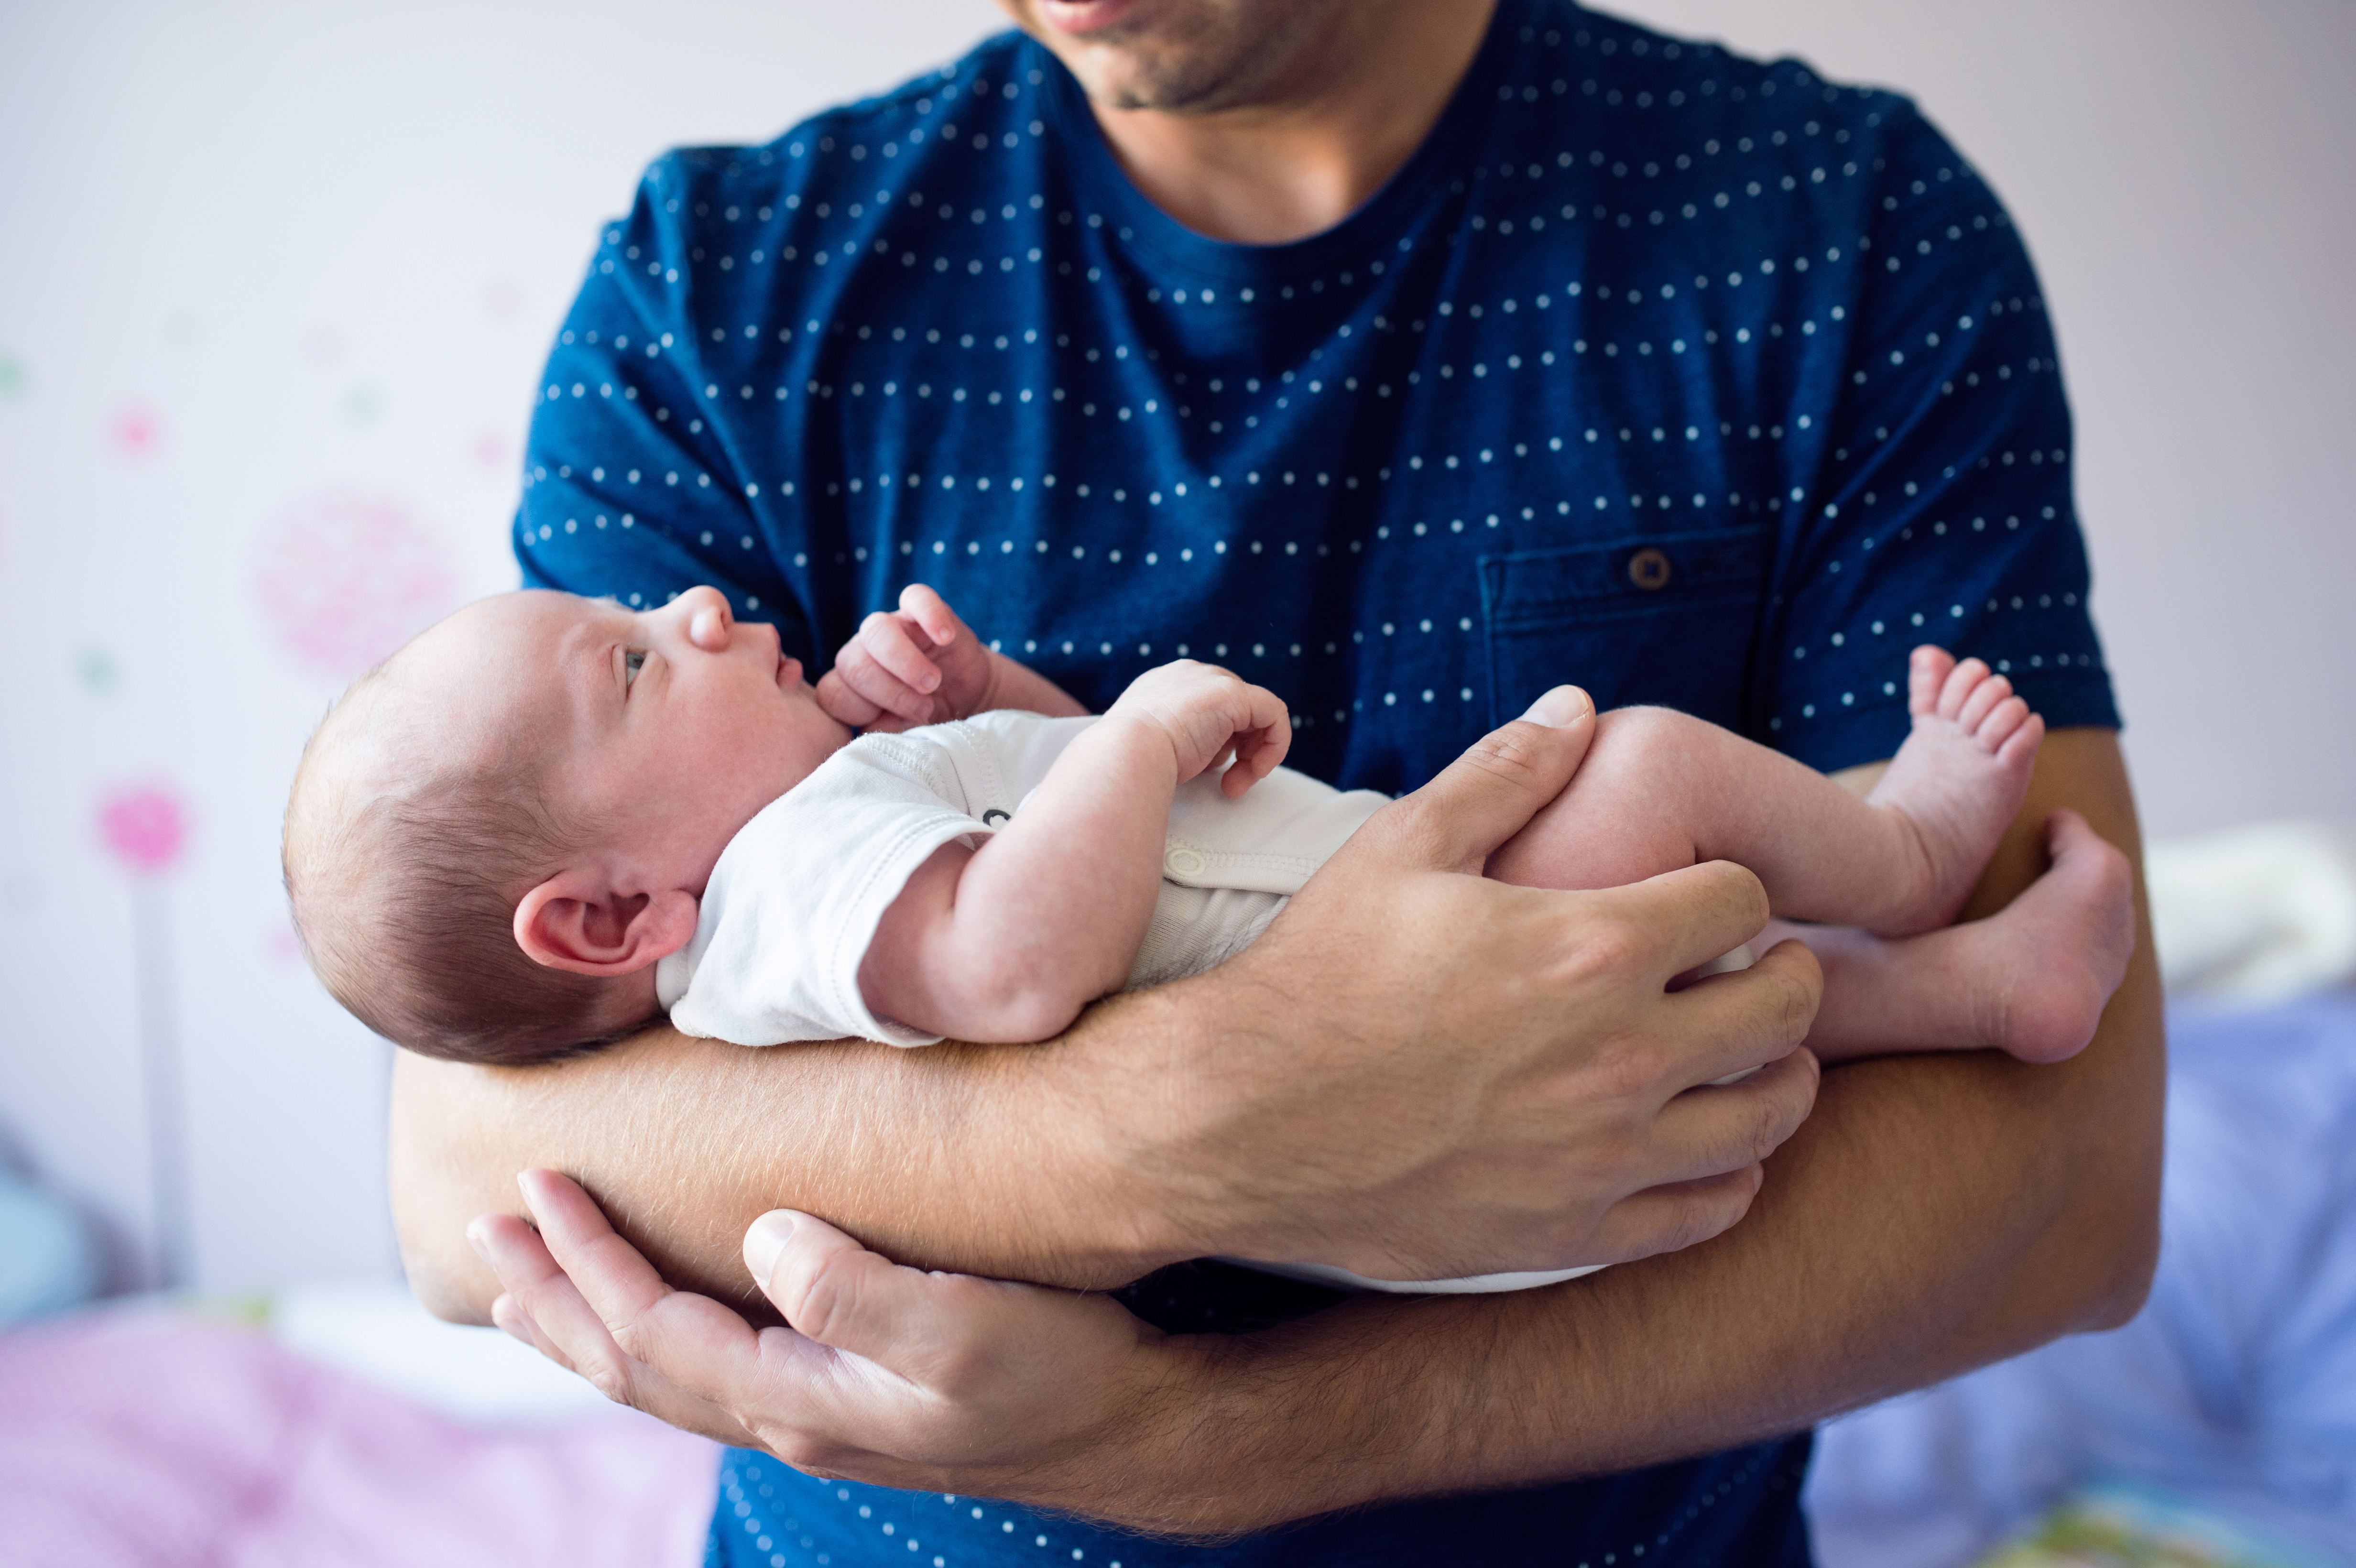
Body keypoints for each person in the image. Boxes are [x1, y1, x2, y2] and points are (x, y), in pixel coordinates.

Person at [395, 0, 2166, 1560]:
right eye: (633, 652)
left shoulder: (1826, 228)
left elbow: (2062, 1193)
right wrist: (1206, 1128)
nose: (689, 629)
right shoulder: (726, 285)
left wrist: (1222, 1441)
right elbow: (472, 1169)